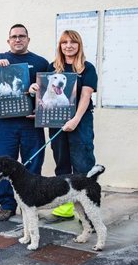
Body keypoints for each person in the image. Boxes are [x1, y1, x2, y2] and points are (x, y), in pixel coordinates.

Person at [0, 24, 49, 221]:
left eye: (22, 36)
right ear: (8, 40)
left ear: (28, 39)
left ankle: (30, 205)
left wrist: (40, 111)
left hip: (31, 123)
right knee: (3, 164)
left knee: (32, 165)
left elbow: (48, 92)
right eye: (14, 37)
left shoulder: (40, 62)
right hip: (6, 124)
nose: (18, 39)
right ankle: (6, 205)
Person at [29, 29, 98, 221]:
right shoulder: (53, 68)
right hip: (56, 121)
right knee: (62, 162)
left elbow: (85, 96)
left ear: (79, 45)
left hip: (80, 121)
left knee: (83, 163)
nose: (68, 46)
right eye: (64, 42)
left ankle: (90, 210)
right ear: (60, 46)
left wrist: (75, 120)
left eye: (73, 42)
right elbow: (45, 94)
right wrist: (35, 88)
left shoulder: (87, 68)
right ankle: (66, 208)